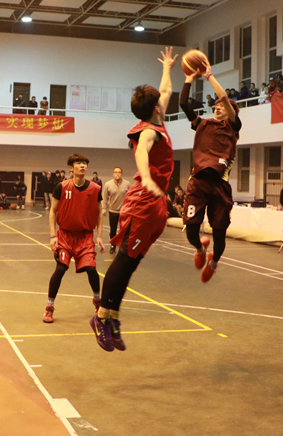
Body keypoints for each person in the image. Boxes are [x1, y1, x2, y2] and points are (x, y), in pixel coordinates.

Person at [92, 48, 176, 353]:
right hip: (143, 200)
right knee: (124, 260)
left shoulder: (157, 120)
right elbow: (141, 152)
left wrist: (167, 68)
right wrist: (149, 178)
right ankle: (101, 317)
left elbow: (165, 90)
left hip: (154, 204)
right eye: (160, 101)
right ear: (156, 109)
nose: (164, 101)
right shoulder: (149, 131)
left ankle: (113, 317)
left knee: (132, 263)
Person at [179, 58, 242, 283]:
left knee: (220, 236)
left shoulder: (232, 127)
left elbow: (223, 96)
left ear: (231, 112)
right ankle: (199, 249)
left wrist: (209, 76)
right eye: (215, 105)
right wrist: (189, 79)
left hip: (219, 186)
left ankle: (214, 263)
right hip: (198, 182)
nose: (218, 106)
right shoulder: (202, 124)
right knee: (191, 232)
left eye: (222, 106)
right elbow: (183, 104)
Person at [43, 154, 104, 323]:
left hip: (85, 237)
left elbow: (100, 212)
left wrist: (99, 236)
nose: (83, 166)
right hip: (65, 236)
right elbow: (53, 211)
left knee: (91, 269)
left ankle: (98, 301)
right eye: (79, 163)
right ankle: (49, 306)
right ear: (71, 167)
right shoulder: (62, 187)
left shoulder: (95, 189)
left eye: (85, 163)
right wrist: (53, 236)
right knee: (60, 269)